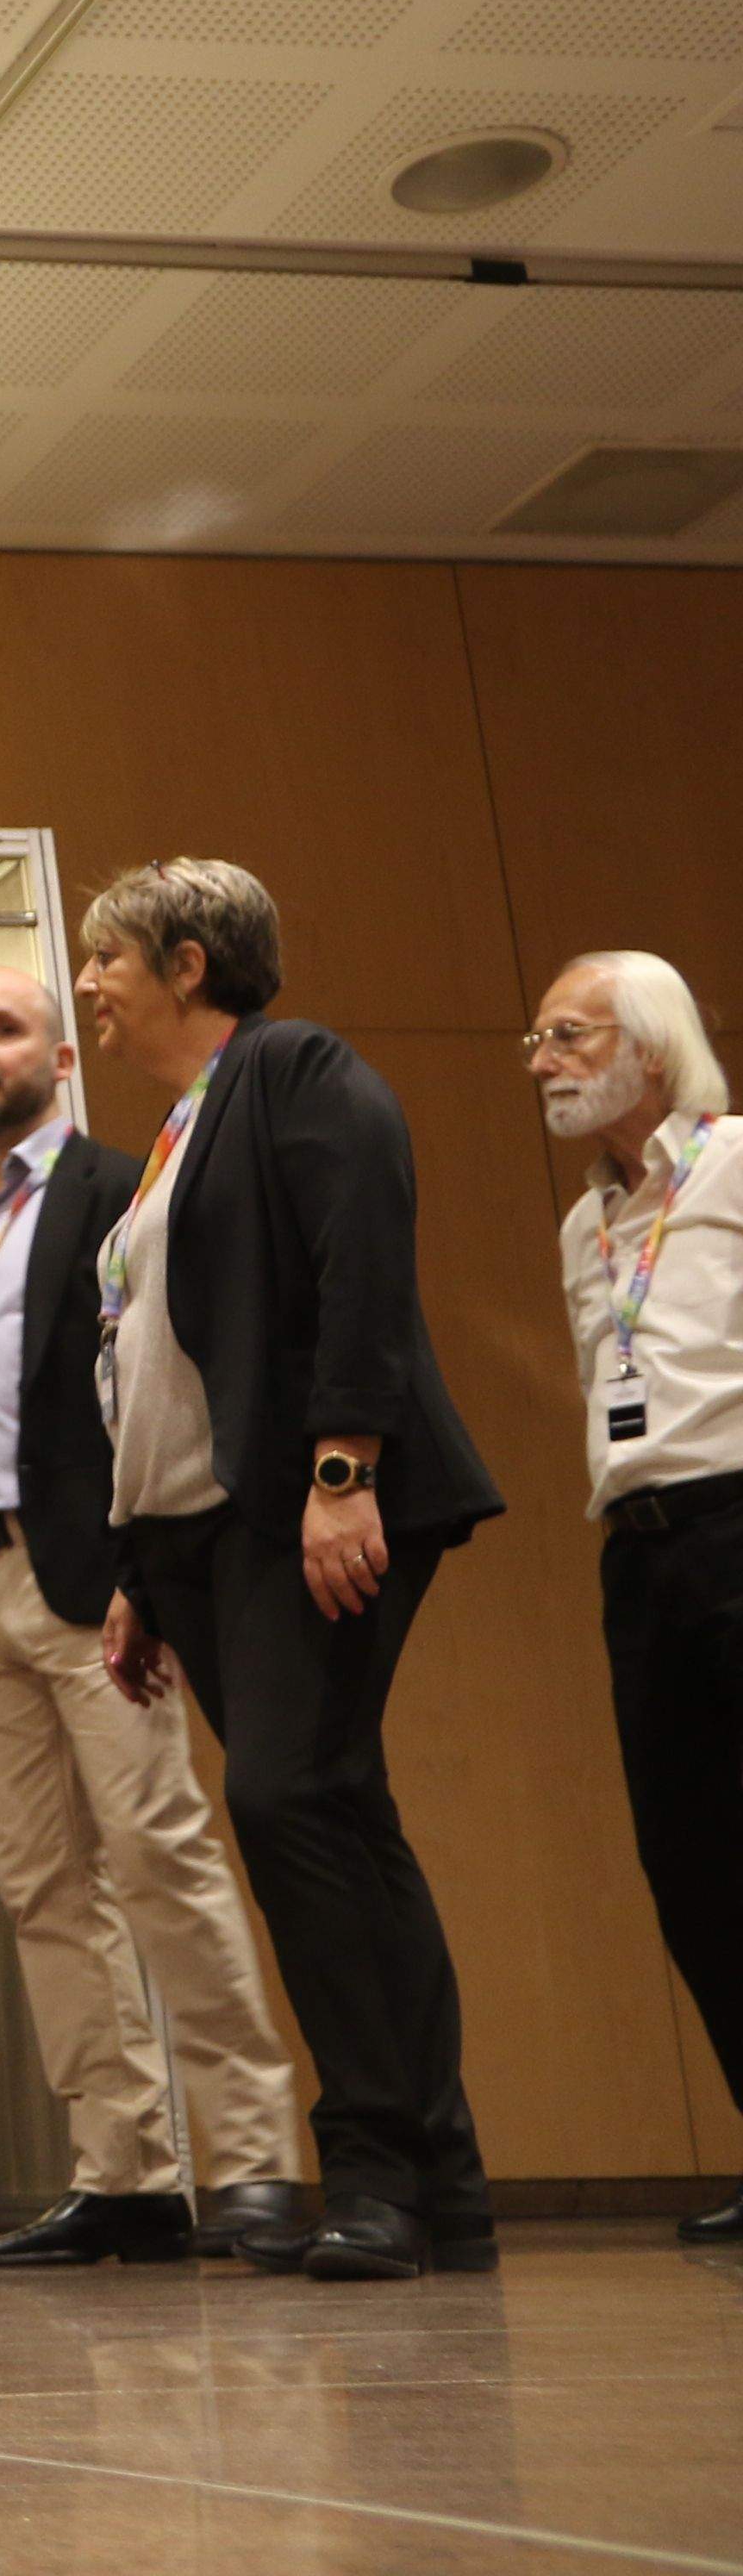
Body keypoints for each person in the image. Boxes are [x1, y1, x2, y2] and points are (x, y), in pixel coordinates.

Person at [76, 862, 499, 2280]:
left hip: (300, 1508)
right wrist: (135, 1560)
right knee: (334, 1811)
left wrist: (342, 1467)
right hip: (198, 1538)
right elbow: (151, 1370)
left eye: (105, 959)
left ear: (188, 964)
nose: (89, 985)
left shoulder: (290, 1067)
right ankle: (438, 2179)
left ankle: (375, 2165)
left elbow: (360, 1247)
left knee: (287, 1794)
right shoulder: (172, 1135)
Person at [0, 965, 303, 2266]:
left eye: (1, 1028)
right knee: (45, 1889)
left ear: (60, 1055)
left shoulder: (116, 1193)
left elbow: (158, 1396)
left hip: (96, 1592)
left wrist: (145, 1575)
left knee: (161, 1858)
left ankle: (259, 2158)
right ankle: (126, 2172)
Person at [524, 951, 743, 2246]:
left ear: (652, 1047)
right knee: (692, 1866)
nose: (541, 1060)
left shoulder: (737, 1165)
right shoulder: (584, 1224)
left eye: (567, 1034)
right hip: (642, 1556)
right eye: (534, 1040)